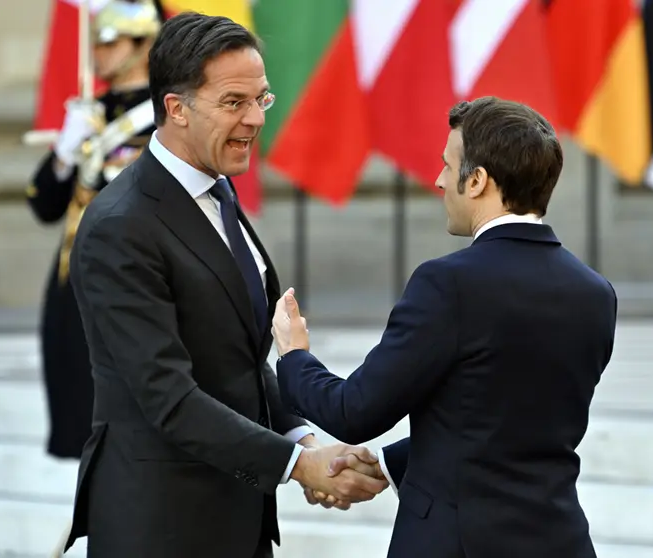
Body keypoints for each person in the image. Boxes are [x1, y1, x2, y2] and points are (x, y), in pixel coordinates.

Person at [62, 12, 387, 558]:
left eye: (262, 99)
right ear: (176, 109)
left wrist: (303, 441)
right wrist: (298, 466)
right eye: (234, 102)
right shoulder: (121, 225)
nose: (255, 119)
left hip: (237, 522)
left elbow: (234, 360)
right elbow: (168, 397)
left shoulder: (217, 192)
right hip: (160, 529)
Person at [271, 97, 618, 558]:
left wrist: (294, 356)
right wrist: (388, 467)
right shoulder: (595, 293)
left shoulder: (449, 283)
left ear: (476, 181)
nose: (437, 180)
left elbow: (354, 412)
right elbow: (504, 424)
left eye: (446, 165)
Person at [27, 0, 160, 460]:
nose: (98, 53)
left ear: (145, 45)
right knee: (78, 418)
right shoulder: (88, 111)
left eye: (111, 42)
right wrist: (65, 153)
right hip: (76, 279)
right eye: (97, 42)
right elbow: (43, 204)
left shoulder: (164, 113)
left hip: (133, 277)